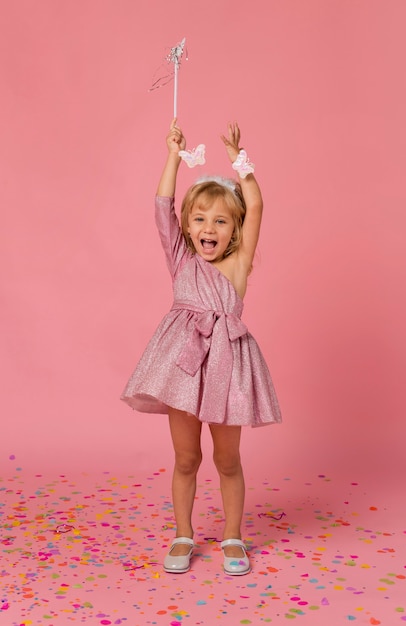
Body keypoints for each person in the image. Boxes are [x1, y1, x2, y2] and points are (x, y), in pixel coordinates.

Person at [121, 119, 281, 576]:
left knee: (227, 459)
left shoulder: (240, 262)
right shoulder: (182, 258)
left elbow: (257, 202)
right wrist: (173, 155)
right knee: (186, 457)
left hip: (228, 366)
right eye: (199, 219)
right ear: (189, 228)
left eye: (220, 221)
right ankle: (184, 533)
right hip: (184, 367)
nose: (208, 228)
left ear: (234, 230)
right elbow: (161, 207)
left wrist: (240, 162)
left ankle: (233, 535)